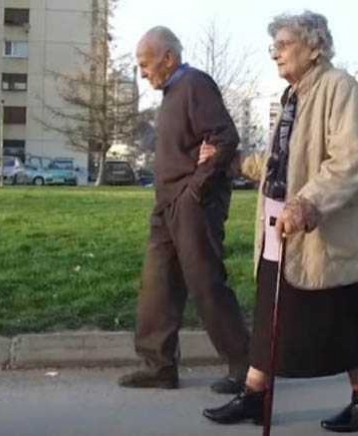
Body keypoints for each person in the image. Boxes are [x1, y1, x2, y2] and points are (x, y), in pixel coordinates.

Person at [202, 10, 358, 433]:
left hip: (322, 230)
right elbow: (282, 163)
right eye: (275, 46)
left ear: (314, 47)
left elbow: (350, 159)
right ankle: (257, 394)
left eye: (284, 45)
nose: (275, 54)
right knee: (272, 308)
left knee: (341, 317)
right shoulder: (294, 95)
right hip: (282, 226)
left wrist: (308, 203)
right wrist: (234, 161)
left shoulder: (340, 87)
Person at [118, 26, 250, 395]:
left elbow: (225, 138)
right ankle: (158, 366)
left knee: (205, 283)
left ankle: (246, 367)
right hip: (167, 203)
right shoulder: (172, 92)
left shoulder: (195, 84)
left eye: (145, 64)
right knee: (157, 285)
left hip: (194, 203)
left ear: (168, 58)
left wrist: (196, 189)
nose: (143, 73)